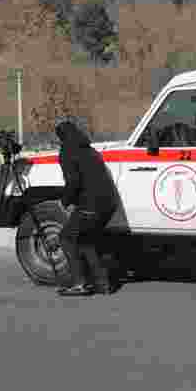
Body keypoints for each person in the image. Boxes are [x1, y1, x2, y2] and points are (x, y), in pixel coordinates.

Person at [55, 118, 120, 297]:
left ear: (60, 137)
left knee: (67, 238)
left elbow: (73, 181)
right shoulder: (89, 149)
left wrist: (65, 201)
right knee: (86, 240)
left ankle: (79, 283)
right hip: (109, 204)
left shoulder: (67, 151)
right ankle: (103, 285)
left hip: (91, 205)